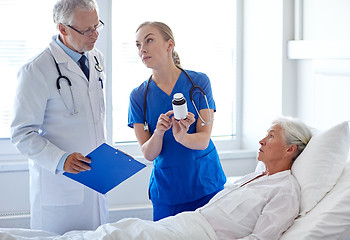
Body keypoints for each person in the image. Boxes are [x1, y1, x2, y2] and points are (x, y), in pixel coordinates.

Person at [1, 116, 312, 240]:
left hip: (196, 235)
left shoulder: (285, 191)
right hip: (185, 224)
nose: (261, 141)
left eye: (270, 136)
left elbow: (260, 239)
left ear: (289, 149)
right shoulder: (255, 176)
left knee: (112, 237)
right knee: (112, 232)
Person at [10, 0, 107, 234]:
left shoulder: (96, 59)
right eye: (86, 30)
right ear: (62, 29)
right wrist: (61, 160)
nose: (94, 35)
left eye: (97, 26)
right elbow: (22, 133)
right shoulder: (36, 69)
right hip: (60, 188)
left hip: (96, 180)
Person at [128, 21, 227, 221]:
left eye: (149, 40)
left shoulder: (198, 83)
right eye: (138, 45)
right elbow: (148, 153)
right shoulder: (139, 95)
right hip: (168, 191)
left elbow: (203, 140)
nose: (143, 49)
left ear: (169, 45)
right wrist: (158, 132)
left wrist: (182, 136)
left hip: (205, 183)